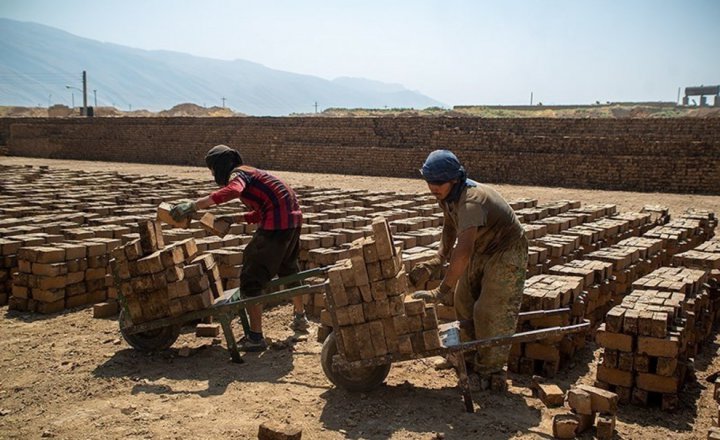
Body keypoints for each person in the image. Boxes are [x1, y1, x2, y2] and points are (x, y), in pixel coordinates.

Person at [170, 144, 309, 352]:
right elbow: (261, 211)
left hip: (277, 224)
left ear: (220, 166)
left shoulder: (238, 175)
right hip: (293, 221)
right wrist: (233, 218)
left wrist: (193, 205)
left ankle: (255, 337)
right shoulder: (254, 172)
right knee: (289, 269)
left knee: (252, 277)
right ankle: (300, 318)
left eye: (213, 170)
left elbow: (231, 192)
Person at [409, 149, 528, 390]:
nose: (433, 187)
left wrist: (440, 291)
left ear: (454, 179)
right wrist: (438, 259)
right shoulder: (448, 196)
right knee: (463, 300)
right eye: (429, 182)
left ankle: (489, 372)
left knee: (488, 310)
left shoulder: (471, 201)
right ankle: (468, 358)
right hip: (483, 248)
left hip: (506, 250)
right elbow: (449, 228)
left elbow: (462, 251)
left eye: (438, 183)